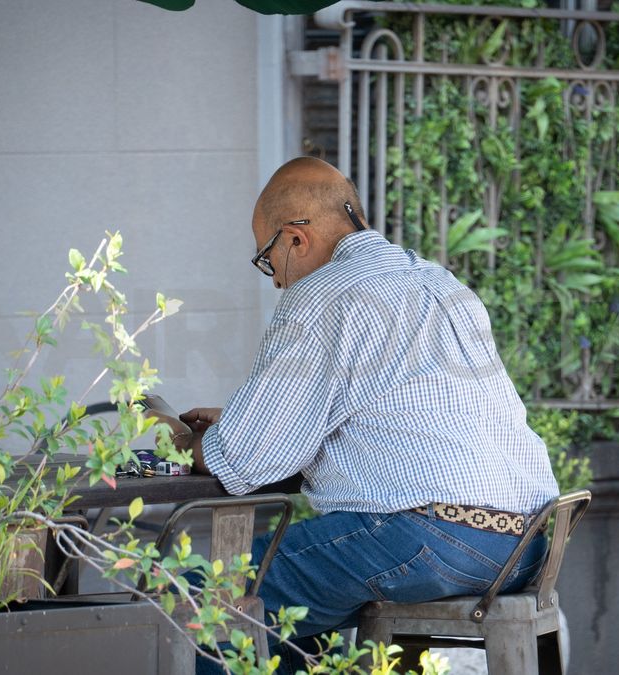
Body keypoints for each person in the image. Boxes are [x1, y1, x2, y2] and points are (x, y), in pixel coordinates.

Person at [179, 157, 559, 672]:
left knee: (203, 591)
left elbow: (243, 461)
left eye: (267, 259)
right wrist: (252, 418)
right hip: (529, 545)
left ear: (295, 238)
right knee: (294, 613)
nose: (274, 281)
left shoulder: (322, 295)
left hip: (430, 538)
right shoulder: (440, 283)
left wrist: (179, 440)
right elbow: (385, 410)